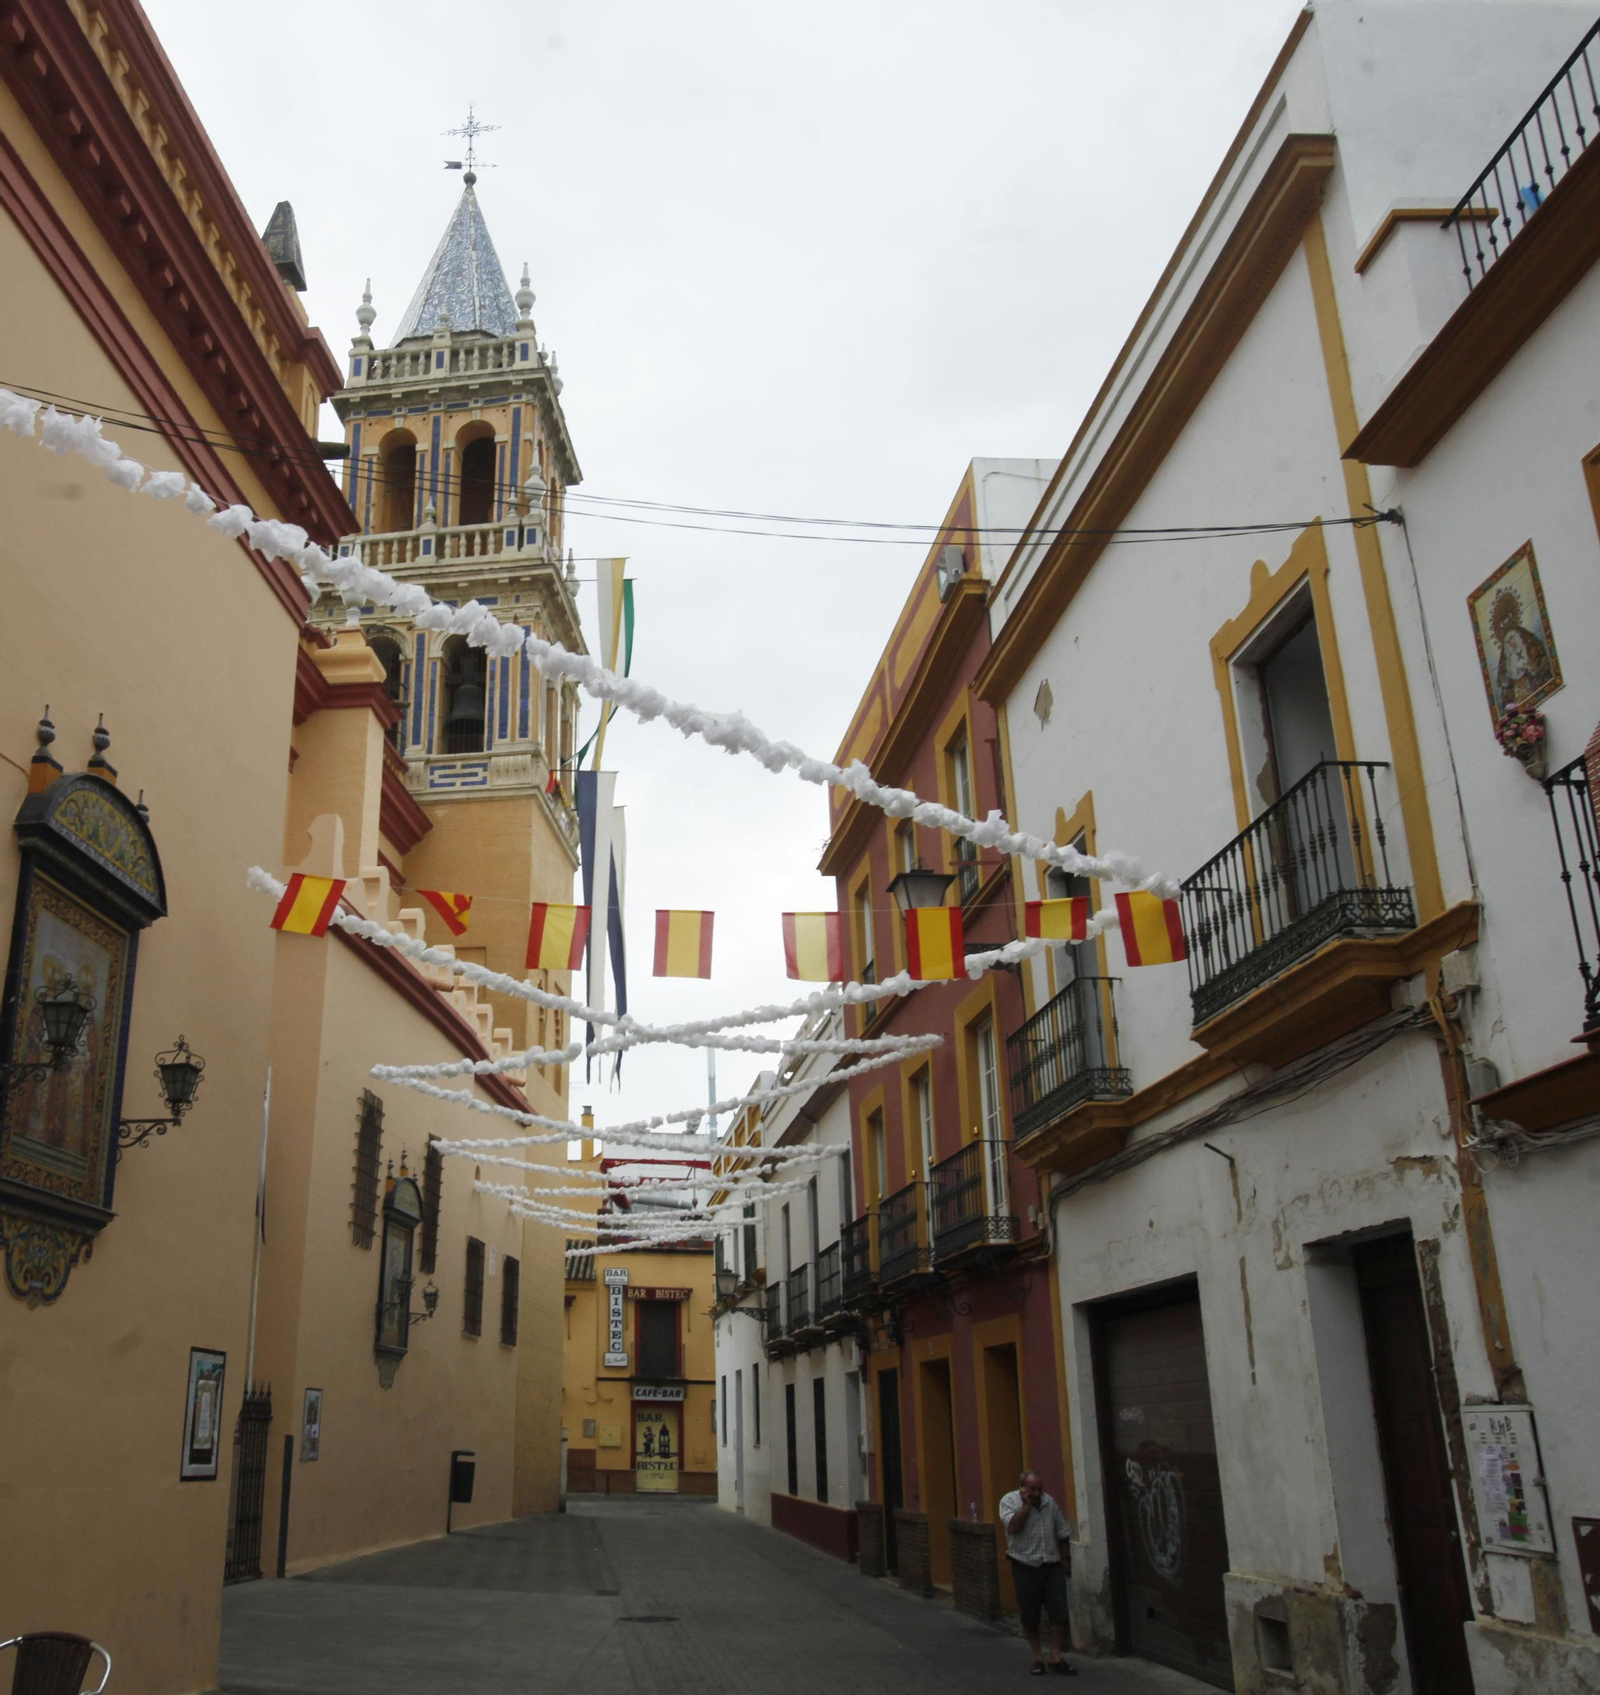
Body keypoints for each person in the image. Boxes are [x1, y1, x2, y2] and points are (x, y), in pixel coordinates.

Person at [999, 1469, 1076, 1677]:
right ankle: (1037, 1658)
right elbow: (1013, 1528)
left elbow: (1063, 1532)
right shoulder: (1008, 1502)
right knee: (1029, 1615)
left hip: (1051, 1566)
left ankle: (1055, 1655)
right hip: (1025, 1566)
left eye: (1039, 1489)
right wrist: (1026, 1505)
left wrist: (1065, 1559)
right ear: (1022, 1487)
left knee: (1059, 1612)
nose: (1036, 1493)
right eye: (1032, 1489)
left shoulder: (1049, 1503)